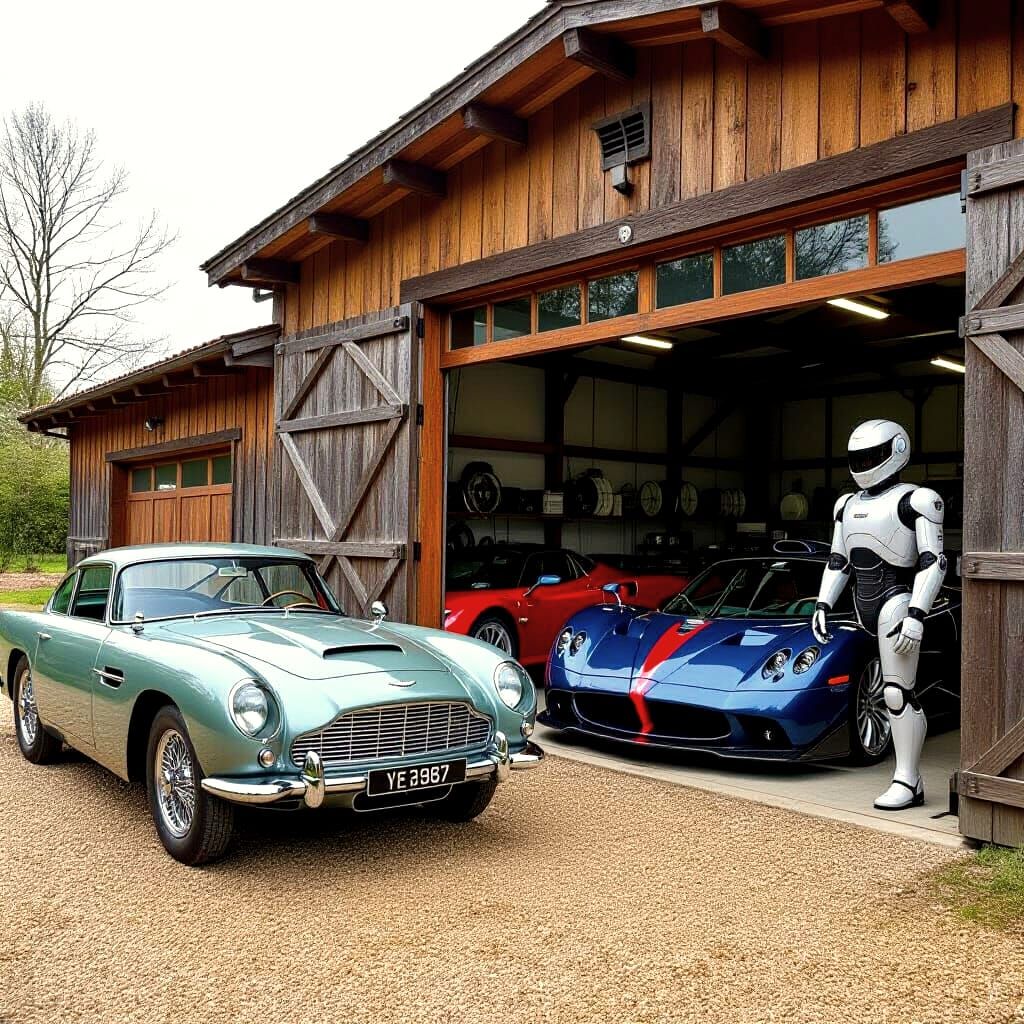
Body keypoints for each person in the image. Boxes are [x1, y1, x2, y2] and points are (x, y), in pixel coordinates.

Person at [811, 419, 946, 810]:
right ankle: (908, 778)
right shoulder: (846, 504)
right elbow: (838, 560)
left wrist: (917, 614)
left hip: (897, 602)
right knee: (884, 690)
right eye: (859, 457)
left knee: (897, 692)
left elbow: (933, 561)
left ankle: (907, 779)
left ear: (896, 450)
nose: (864, 464)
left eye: (872, 455)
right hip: (864, 605)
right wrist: (823, 602)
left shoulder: (917, 499)